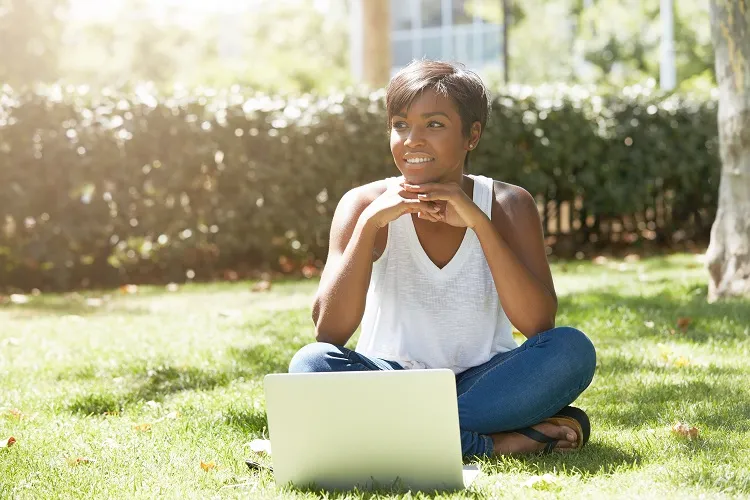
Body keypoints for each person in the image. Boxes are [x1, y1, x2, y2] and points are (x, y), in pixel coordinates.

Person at [288, 59, 596, 457]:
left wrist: (479, 224)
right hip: (389, 379)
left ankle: (384, 429)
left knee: (572, 349)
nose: (412, 140)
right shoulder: (363, 204)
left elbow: (539, 325)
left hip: (485, 382)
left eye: (434, 124)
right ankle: (497, 443)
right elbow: (329, 333)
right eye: (400, 125)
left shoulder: (508, 204)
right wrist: (369, 225)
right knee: (311, 364)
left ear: (472, 135)